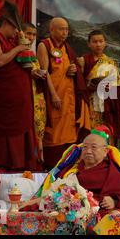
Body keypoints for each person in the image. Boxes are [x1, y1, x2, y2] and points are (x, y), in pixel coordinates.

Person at [21, 126, 120, 217]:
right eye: (85, 147)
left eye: (93, 147)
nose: (88, 151)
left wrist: (114, 201)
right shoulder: (71, 169)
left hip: (95, 216)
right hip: (65, 213)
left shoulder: (110, 172)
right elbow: (56, 192)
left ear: (105, 152)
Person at [0, 2, 38, 170]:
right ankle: (6, 168)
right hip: (4, 101)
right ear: (6, 24)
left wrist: (23, 50)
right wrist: (17, 49)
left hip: (20, 101)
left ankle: (22, 168)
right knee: (8, 136)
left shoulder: (12, 41)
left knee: (24, 131)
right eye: (14, 28)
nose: (16, 32)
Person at [37, 17, 89, 170]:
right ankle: (52, 167)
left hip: (68, 99)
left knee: (69, 133)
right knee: (53, 132)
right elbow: (44, 72)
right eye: (61, 29)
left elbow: (71, 68)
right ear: (52, 30)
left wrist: (73, 70)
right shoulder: (44, 45)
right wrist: (53, 95)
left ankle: (68, 167)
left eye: (66, 29)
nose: (65, 32)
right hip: (54, 97)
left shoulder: (67, 48)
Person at [79, 30, 120, 142]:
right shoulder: (83, 61)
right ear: (89, 44)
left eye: (101, 41)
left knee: (106, 134)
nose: (98, 44)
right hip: (90, 104)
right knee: (91, 134)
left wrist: (109, 88)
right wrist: (91, 86)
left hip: (106, 104)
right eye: (94, 41)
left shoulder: (111, 62)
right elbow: (78, 84)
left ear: (105, 43)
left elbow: (117, 85)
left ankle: (106, 157)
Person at [24, 23, 47, 164]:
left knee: (39, 131)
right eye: (28, 33)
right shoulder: (19, 52)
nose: (31, 37)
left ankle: (39, 160)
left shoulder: (32, 54)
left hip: (38, 98)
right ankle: (32, 161)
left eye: (33, 34)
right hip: (26, 98)